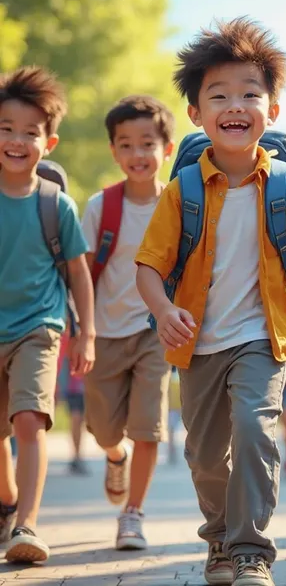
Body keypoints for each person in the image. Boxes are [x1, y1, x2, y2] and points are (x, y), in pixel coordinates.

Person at [135, 17, 286, 586]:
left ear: (271, 111)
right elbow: (148, 267)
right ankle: (219, 539)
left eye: (251, 93)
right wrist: (164, 309)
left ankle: (251, 551)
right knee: (203, 454)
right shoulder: (184, 191)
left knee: (254, 428)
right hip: (197, 340)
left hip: (262, 339)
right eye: (218, 94)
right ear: (197, 114)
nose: (236, 105)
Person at [0, 66, 94, 563]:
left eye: (30, 132)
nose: (17, 140)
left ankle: (27, 525)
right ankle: (8, 499)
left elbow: (79, 274)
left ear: (49, 142)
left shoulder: (55, 204)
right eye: (6, 129)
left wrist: (87, 333)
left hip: (39, 326)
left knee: (30, 420)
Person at [82, 95, 175, 551]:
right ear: (114, 152)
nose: (138, 154)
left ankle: (133, 513)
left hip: (155, 331)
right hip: (104, 331)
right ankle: (114, 456)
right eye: (126, 145)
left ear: (167, 149)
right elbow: (80, 271)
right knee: (105, 429)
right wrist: (82, 328)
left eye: (147, 143)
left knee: (148, 426)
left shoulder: (177, 206)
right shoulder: (102, 207)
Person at [56, 329, 89, 475]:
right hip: (70, 379)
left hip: (85, 378)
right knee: (76, 417)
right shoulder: (65, 326)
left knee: (80, 419)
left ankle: (77, 456)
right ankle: (76, 456)